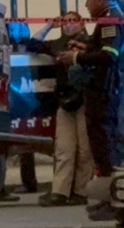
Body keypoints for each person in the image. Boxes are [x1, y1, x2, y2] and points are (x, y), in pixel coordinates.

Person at [57, 0, 124, 221]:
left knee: (108, 149)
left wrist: (76, 57)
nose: (86, 4)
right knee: (103, 149)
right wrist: (85, 48)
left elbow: (109, 56)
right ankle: (110, 198)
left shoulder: (109, 20)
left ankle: (118, 201)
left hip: (105, 91)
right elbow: (104, 49)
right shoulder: (109, 20)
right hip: (103, 91)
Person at [33, 11, 94, 207]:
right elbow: (32, 44)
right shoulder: (58, 44)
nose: (68, 25)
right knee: (63, 149)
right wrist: (50, 25)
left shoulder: (91, 43)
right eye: (65, 22)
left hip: (85, 99)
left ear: (82, 24)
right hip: (65, 101)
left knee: (85, 150)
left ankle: (81, 191)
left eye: (73, 21)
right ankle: (60, 191)